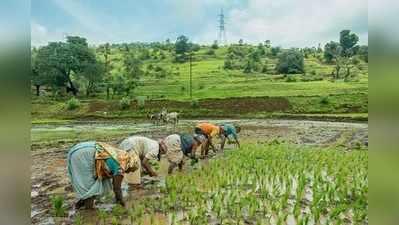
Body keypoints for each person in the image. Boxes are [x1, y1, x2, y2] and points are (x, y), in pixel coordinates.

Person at [67, 141, 140, 209]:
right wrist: (121, 203)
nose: (127, 172)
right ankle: (89, 211)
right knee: (88, 185)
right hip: (84, 155)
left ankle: (80, 204)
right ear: (130, 165)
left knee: (91, 185)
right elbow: (117, 187)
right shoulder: (121, 166)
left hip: (83, 149)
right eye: (130, 170)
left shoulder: (120, 155)